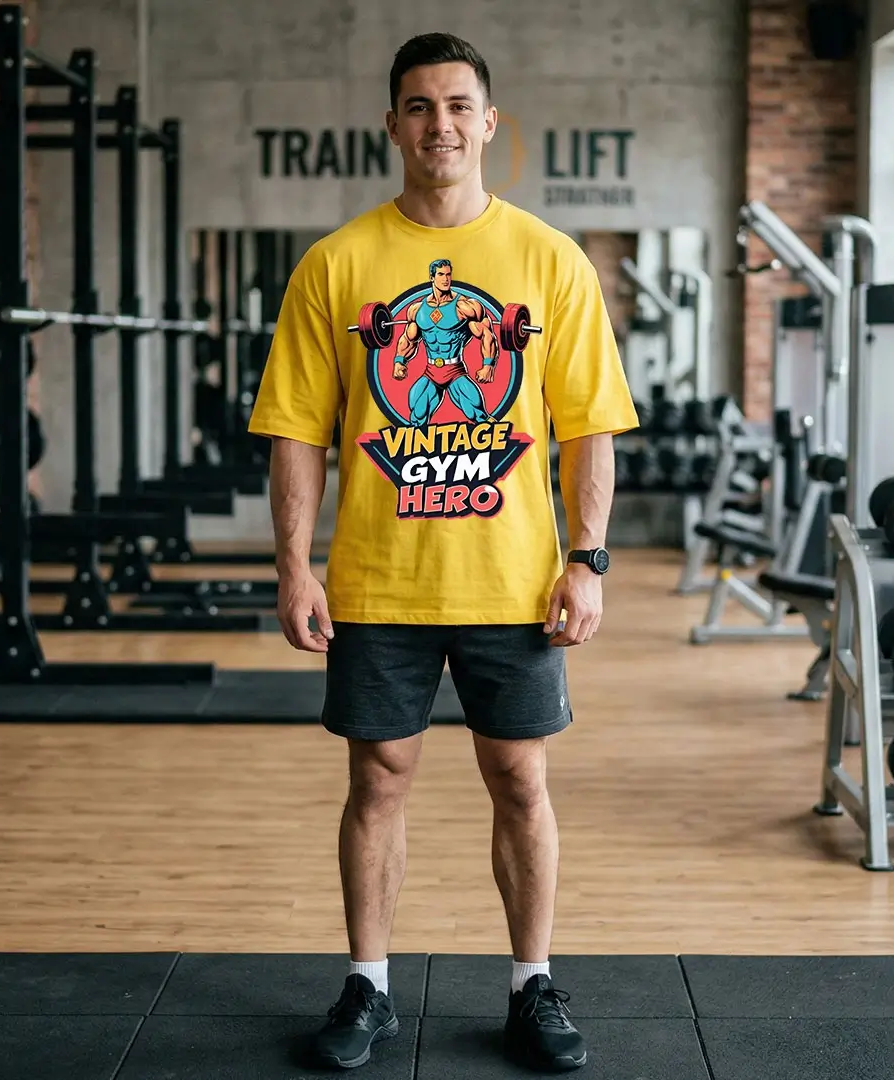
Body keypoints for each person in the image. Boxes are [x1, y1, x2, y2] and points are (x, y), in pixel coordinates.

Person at [247, 31, 639, 1072]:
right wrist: (293, 565)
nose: (441, 124)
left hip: (514, 583)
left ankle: (531, 985)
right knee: (379, 781)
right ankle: (369, 986)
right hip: (380, 584)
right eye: (420, 106)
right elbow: (296, 432)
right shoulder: (336, 265)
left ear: (489, 122)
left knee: (519, 778)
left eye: (459, 105)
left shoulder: (550, 260)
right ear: (393, 125)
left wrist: (588, 559)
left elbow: (589, 426)